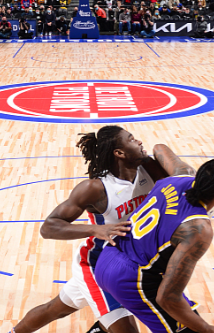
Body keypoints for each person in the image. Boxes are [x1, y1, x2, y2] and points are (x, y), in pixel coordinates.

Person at [11, 126, 178, 333]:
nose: (139, 142)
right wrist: (95, 229)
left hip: (129, 262)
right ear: (119, 153)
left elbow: (181, 180)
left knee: (56, 309)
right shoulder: (95, 188)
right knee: (125, 328)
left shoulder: (149, 169)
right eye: (132, 139)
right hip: (96, 264)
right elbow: (49, 227)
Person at [95, 157, 214, 333]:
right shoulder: (198, 228)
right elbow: (167, 298)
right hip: (132, 278)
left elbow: (160, 148)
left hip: (107, 256)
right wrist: (208, 329)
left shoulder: (178, 176)